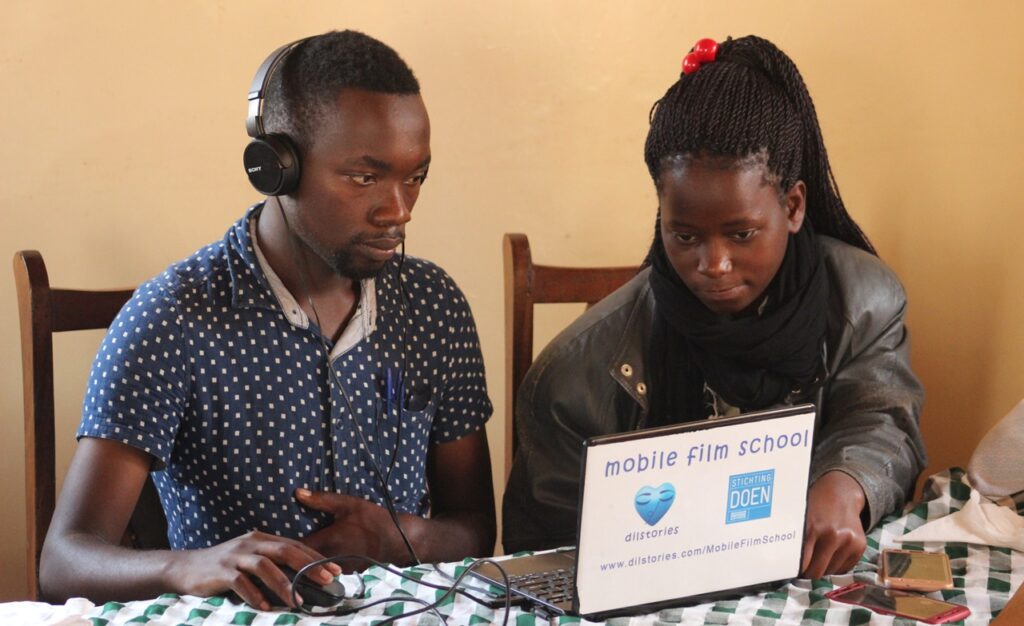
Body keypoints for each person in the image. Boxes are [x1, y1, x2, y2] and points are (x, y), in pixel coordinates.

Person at [40, 30, 495, 608]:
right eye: (364, 177)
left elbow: (477, 528)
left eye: (416, 176)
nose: (398, 210)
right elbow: (64, 560)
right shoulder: (174, 317)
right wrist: (192, 565)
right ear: (274, 168)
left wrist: (402, 537)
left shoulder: (435, 305)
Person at [503, 35, 926, 579]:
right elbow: (542, 559)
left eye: (742, 233)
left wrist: (845, 483)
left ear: (793, 206)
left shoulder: (865, 302)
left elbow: (881, 416)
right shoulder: (570, 377)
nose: (715, 264)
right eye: (684, 236)